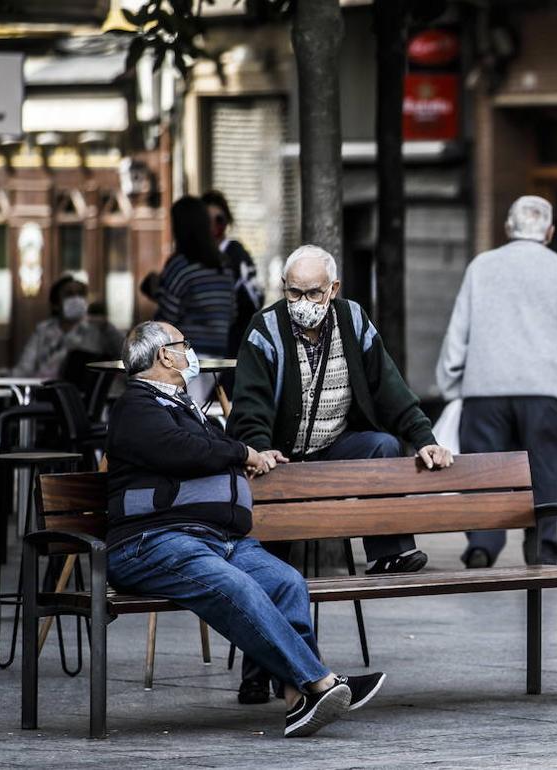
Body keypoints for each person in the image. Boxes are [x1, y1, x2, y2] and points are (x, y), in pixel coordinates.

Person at [105, 321, 386, 737]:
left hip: (217, 539)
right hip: (153, 542)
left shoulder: (181, 406)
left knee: (287, 581)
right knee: (237, 587)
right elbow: (182, 451)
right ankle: (322, 681)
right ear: (165, 355)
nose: (191, 351)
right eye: (185, 344)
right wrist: (241, 452)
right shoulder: (137, 406)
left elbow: (210, 450)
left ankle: (298, 701)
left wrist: (252, 455)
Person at [228, 245, 453, 703]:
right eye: (294, 292)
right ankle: (258, 673)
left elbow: (390, 388)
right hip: (281, 461)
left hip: (332, 449)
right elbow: (249, 403)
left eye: (313, 292)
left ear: (333, 289)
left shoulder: (353, 320)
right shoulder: (264, 329)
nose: (302, 302)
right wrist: (263, 450)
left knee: (383, 445)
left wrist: (424, 437)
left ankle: (388, 551)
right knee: (270, 567)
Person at [437, 196, 557, 568]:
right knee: (545, 471)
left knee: (485, 472)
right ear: (548, 232)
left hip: (485, 390)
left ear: (508, 229)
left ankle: (482, 543)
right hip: (544, 392)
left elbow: (458, 332)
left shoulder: (481, 266)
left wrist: (452, 385)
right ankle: (542, 544)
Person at [153, 196, 236, 405]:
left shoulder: (180, 265)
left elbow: (166, 319)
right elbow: (231, 311)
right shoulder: (223, 266)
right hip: (217, 354)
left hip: (186, 356)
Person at [14, 275, 123, 380]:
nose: (76, 298)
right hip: (45, 392)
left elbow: (125, 354)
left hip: (81, 395)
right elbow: (25, 367)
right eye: (69, 294)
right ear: (55, 304)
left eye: (81, 294)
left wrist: (107, 328)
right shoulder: (42, 331)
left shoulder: (99, 329)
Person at [202, 190, 264, 361]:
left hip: (232, 344)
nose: (214, 226)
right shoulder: (194, 256)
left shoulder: (236, 253)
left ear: (227, 221)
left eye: (219, 220)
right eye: (208, 220)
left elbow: (254, 299)